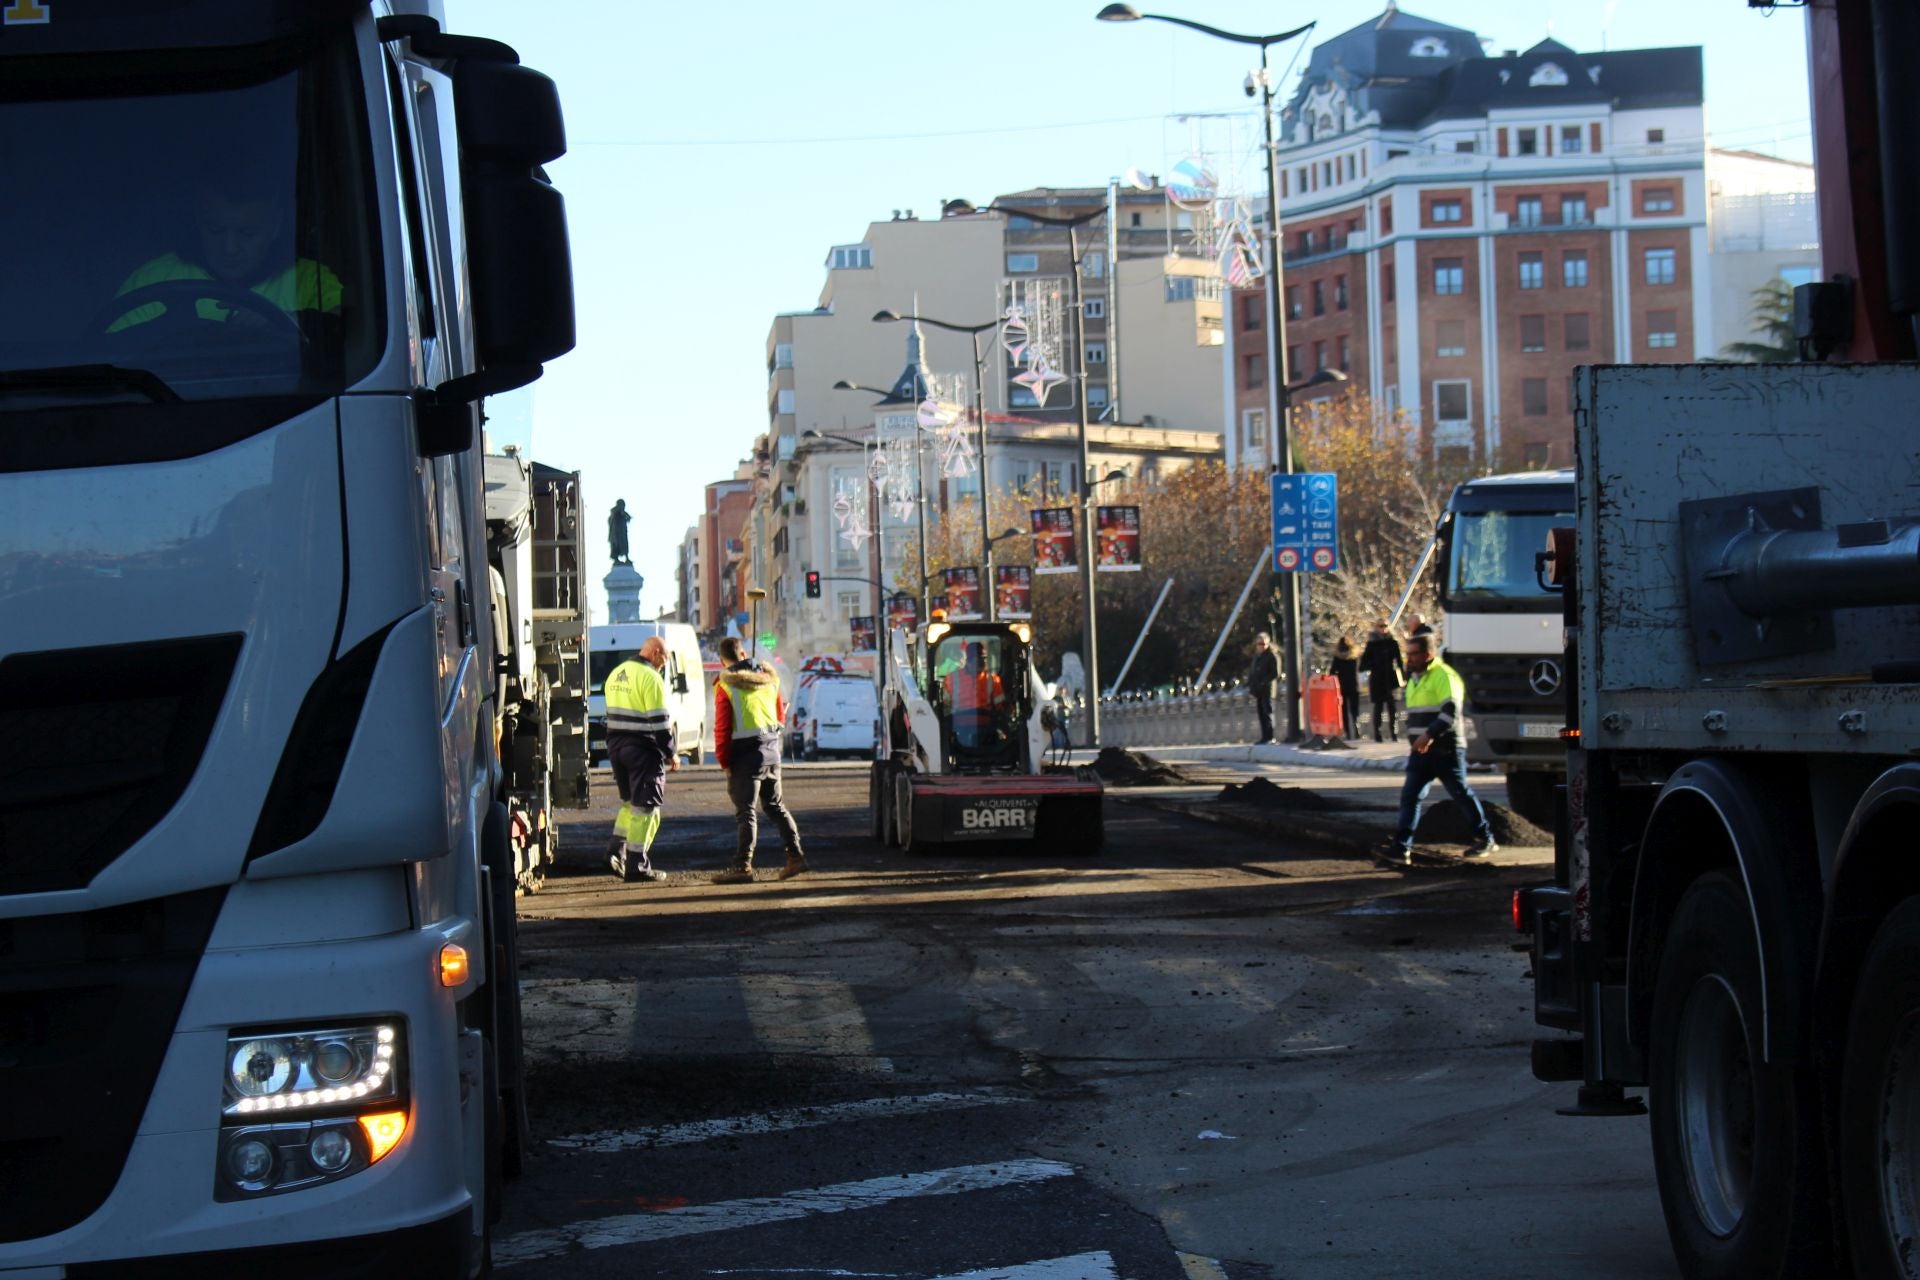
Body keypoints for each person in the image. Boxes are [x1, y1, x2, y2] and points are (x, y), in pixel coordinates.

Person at [108, 178, 341, 334]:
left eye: (247, 233)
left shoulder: (310, 282)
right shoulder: (151, 282)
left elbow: (354, 337)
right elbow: (114, 362)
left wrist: (292, 321)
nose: (230, 248)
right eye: (215, 230)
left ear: (276, 226)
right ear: (199, 220)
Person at [1384, 634, 1497, 865]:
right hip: (1421, 751)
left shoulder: (1444, 675)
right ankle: (1401, 847)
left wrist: (1429, 735)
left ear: (1428, 654)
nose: (1409, 658)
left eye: (1414, 654)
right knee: (1410, 797)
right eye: (1408, 654)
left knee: (1460, 793)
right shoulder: (1415, 678)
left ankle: (1485, 837)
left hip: (1445, 749)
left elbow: (1450, 712)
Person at [711, 636, 808, 884]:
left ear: (723, 660)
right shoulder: (769, 679)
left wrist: (724, 763)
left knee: (746, 812)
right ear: (742, 655)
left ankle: (742, 867)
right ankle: (796, 857)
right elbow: (780, 717)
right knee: (776, 806)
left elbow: (722, 729)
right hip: (771, 753)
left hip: (744, 758)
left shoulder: (725, 686)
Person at [604, 637, 678, 883]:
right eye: (665, 659)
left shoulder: (617, 673)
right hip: (642, 750)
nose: (664, 665)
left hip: (616, 746)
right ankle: (637, 866)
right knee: (646, 808)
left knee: (629, 804)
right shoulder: (651, 678)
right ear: (656, 653)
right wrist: (671, 752)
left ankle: (616, 852)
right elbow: (659, 722)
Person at [1360, 620, 1405, 743]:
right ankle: (1377, 733)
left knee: (1392, 707)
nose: (1383, 628)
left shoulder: (1392, 643)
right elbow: (1363, 664)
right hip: (1377, 679)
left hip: (1390, 678)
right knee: (1378, 707)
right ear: (1376, 628)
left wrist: (1404, 676)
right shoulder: (1372, 644)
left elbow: (1399, 660)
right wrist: (1373, 665)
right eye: (1381, 626)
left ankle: (1394, 733)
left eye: (1385, 626)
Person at [1247, 632, 1279, 744]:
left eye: (1263, 643)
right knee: (1261, 714)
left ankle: (1270, 736)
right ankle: (1264, 736)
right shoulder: (1256, 657)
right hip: (1258, 691)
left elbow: (1275, 673)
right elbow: (1252, 673)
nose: (1261, 646)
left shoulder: (1272, 656)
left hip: (1267, 690)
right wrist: (1251, 687)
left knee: (1268, 713)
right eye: (1259, 644)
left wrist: (1264, 682)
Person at [1330, 636, 1361, 741]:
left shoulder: (1337, 657)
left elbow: (1332, 672)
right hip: (1353, 685)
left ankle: (1348, 732)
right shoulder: (1354, 656)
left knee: (1344, 711)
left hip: (1341, 686)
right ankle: (1356, 728)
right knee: (1354, 709)